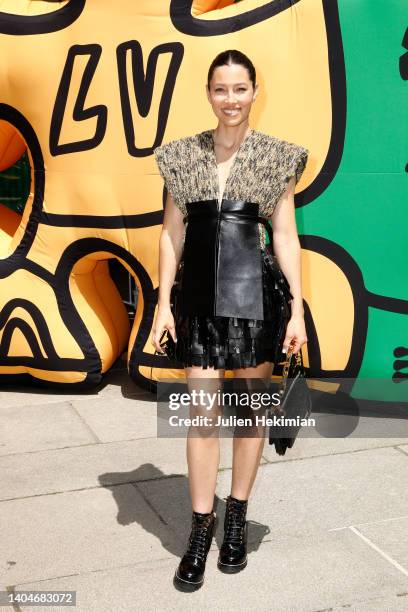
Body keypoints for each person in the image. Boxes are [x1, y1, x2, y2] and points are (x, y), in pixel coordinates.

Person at [152, 49, 309, 591]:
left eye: (240, 88)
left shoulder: (275, 157)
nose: (231, 99)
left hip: (256, 300)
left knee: (249, 418)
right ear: (209, 93)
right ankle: (201, 527)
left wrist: (298, 309)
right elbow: (171, 234)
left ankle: (236, 515)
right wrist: (160, 303)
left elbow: (285, 235)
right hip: (195, 301)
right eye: (221, 89)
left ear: (254, 91)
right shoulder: (181, 157)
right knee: (201, 418)